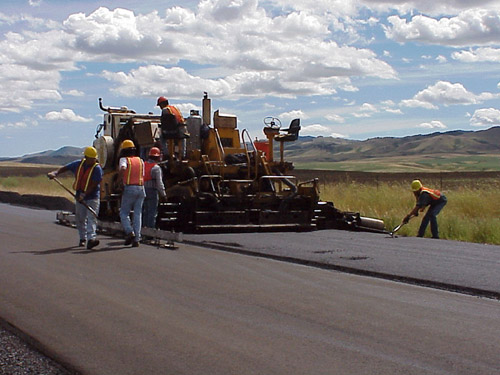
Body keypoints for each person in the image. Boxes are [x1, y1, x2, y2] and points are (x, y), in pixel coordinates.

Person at [48, 146, 103, 249]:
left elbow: (94, 184)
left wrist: (84, 195)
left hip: (93, 197)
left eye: (95, 158)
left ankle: (91, 239)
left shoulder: (97, 169)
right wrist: (55, 173)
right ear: (86, 157)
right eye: (92, 158)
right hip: (79, 196)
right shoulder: (78, 164)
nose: (94, 160)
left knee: (92, 218)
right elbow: (66, 168)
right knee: (80, 218)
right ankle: (83, 238)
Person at [118, 139, 145, 247]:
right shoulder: (140, 160)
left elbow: (123, 168)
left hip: (129, 188)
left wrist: (119, 180)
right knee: (138, 214)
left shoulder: (124, 159)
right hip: (141, 188)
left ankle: (130, 232)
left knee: (124, 213)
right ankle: (137, 239)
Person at [142, 147, 167, 229]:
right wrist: (163, 194)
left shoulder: (143, 165)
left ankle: (142, 231)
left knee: (144, 212)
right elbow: (159, 183)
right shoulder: (156, 168)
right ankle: (150, 232)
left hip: (142, 190)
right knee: (152, 213)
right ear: (157, 157)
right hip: (152, 191)